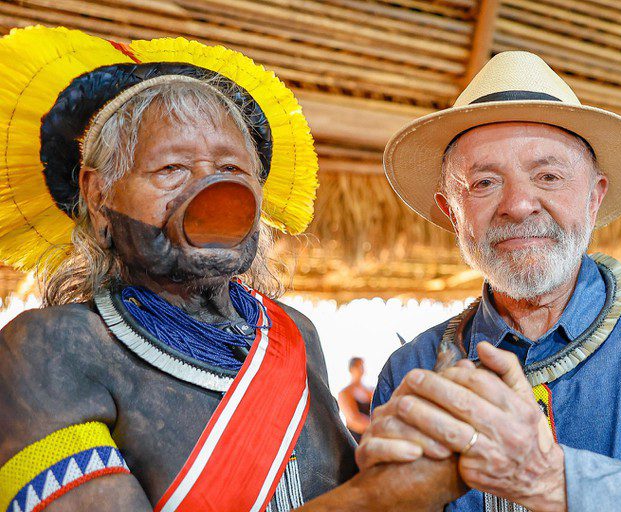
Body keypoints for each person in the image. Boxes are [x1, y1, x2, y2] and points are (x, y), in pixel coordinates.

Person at [0, 27, 464, 512]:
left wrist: (411, 449)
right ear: (98, 197)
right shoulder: (45, 348)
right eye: (172, 169)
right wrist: (389, 494)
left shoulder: (294, 332)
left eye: (233, 171)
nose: (213, 192)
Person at [356, 52, 621, 511]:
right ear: (453, 213)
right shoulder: (411, 372)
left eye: (548, 176)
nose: (518, 204)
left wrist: (551, 481)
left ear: (594, 197)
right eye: (484, 183)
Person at [338, 357, 374, 442]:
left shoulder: (371, 390)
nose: (361, 369)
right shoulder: (345, 393)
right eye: (359, 366)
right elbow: (353, 420)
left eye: (362, 366)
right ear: (351, 369)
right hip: (357, 440)